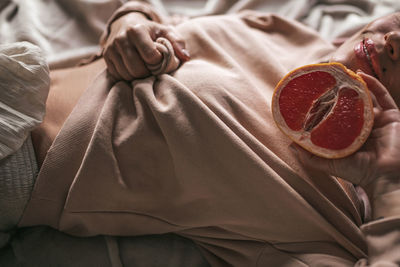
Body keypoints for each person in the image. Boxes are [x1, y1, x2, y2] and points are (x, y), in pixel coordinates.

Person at [2, 1, 400, 266]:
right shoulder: (287, 31)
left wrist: (388, 185)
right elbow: (159, 26)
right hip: (20, 74)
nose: (396, 39)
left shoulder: (339, 220)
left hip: (17, 163)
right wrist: (131, 21)